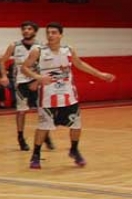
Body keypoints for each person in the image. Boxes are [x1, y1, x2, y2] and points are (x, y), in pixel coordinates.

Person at [21, 22, 116, 169]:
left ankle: (74, 150)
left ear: (60, 35)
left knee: (76, 125)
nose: (50, 35)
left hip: (68, 95)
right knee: (44, 127)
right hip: (47, 97)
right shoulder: (38, 50)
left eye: (54, 32)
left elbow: (80, 64)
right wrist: (39, 78)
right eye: (48, 33)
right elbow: (24, 68)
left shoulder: (68, 50)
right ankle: (36, 155)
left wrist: (100, 75)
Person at [0, 21, 49, 151]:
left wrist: (37, 81)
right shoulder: (14, 46)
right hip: (21, 82)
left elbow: (47, 66)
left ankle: (45, 135)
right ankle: (20, 137)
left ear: (35, 31)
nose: (26, 31)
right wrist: (4, 75)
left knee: (43, 110)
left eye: (29, 29)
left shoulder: (41, 46)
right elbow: (1, 61)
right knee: (21, 111)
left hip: (36, 81)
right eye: (24, 29)